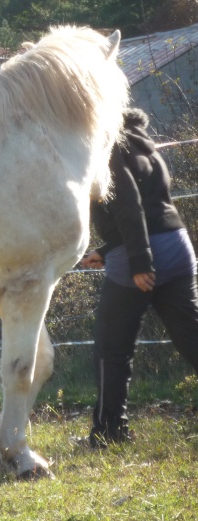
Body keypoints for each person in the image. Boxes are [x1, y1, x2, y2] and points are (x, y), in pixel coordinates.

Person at [79, 107, 198, 448]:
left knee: (111, 348)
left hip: (141, 256)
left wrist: (139, 261)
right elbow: (152, 203)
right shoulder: (146, 146)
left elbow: (129, 205)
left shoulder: (109, 146)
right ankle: (110, 430)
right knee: (192, 338)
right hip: (178, 246)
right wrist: (107, 248)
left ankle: (109, 433)